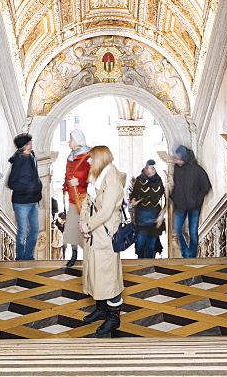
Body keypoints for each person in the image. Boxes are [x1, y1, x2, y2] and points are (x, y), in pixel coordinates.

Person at [80, 144, 126, 338]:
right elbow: (87, 200)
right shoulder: (97, 175)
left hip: (105, 231)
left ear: (100, 159)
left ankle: (113, 318)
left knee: (108, 275)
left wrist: (87, 225)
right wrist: (83, 220)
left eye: (92, 158)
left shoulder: (112, 178)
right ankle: (100, 308)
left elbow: (106, 211)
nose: (89, 161)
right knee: (95, 271)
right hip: (94, 229)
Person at [170, 145, 211, 258]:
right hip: (180, 206)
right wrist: (174, 196)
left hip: (194, 207)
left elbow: (206, 187)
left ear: (185, 158)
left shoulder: (197, 170)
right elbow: (177, 185)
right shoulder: (176, 169)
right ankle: (186, 253)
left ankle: (191, 256)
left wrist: (197, 201)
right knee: (178, 230)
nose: (176, 160)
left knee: (193, 232)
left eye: (178, 158)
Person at [7, 132, 42, 261]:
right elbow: (11, 183)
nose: (32, 143)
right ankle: (20, 258)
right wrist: (28, 189)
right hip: (21, 203)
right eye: (30, 141)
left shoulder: (32, 157)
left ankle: (29, 256)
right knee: (23, 232)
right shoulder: (18, 161)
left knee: (34, 230)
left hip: (34, 201)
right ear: (25, 145)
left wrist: (37, 188)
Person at [62, 129, 92, 268]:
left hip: (84, 199)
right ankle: (74, 255)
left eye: (71, 139)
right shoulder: (70, 157)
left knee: (86, 227)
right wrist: (65, 187)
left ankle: (88, 255)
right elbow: (67, 175)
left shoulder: (88, 157)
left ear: (78, 141)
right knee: (72, 228)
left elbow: (93, 177)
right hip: (72, 199)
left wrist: (79, 182)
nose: (69, 142)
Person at [129, 159, 165, 259]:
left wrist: (162, 214)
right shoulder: (139, 180)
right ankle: (140, 264)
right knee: (140, 244)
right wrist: (133, 201)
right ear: (146, 168)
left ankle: (149, 267)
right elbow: (133, 195)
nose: (153, 170)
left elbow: (165, 196)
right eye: (151, 168)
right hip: (141, 217)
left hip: (155, 216)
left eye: (154, 168)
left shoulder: (159, 180)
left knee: (151, 245)